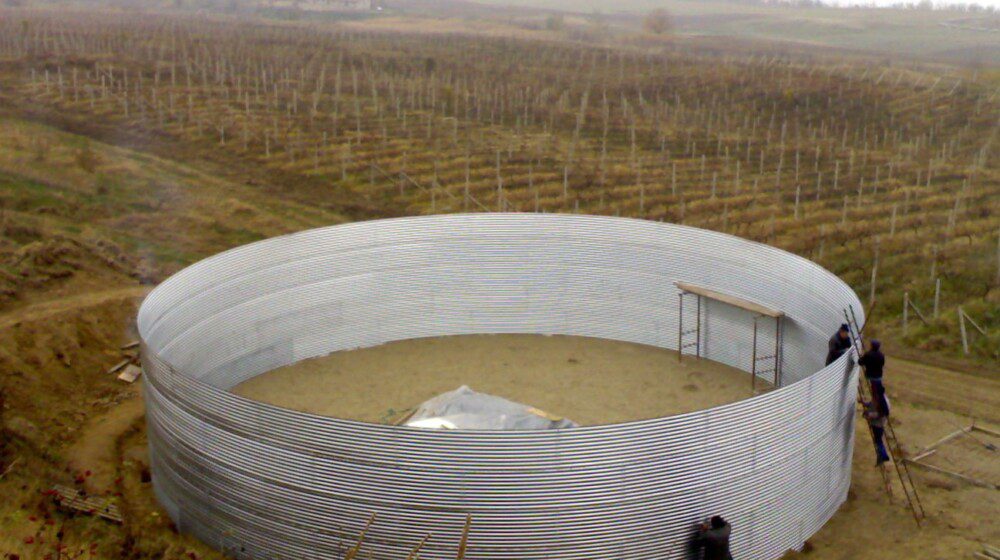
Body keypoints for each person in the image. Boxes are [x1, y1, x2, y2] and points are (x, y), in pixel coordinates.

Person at [863, 399, 890, 465]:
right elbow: (872, 404)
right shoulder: (878, 398)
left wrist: (869, 414)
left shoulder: (883, 402)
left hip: (878, 425)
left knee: (878, 441)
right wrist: (865, 403)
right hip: (876, 424)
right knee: (878, 441)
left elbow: (879, 414)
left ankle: (883, 456)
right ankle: (881, 457)